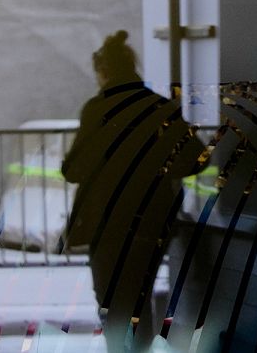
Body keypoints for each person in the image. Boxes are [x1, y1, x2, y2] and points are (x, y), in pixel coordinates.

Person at [62, 31, 208, 353]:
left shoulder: (97, 109)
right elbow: (197, 159)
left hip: (106, 220)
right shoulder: (161, 108)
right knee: (139, 297)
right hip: (152, 218)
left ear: (103, 72)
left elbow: (73, 169)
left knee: (110, 297)